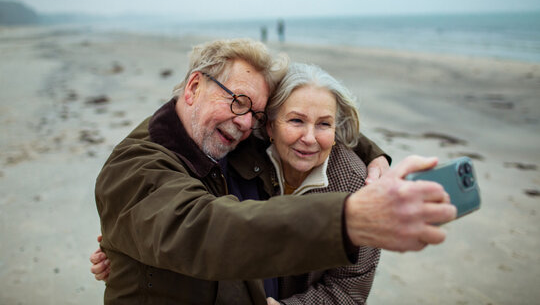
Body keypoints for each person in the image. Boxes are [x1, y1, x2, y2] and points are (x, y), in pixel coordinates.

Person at [93, 38, 456, 304]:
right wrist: (347, 220)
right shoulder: (134, 167)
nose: (243, 122)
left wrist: (372, 153)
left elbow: (307, 116)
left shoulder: (228, 135)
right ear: (193, 87)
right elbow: (207, 229)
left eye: (255, 113)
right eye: (238, 102)